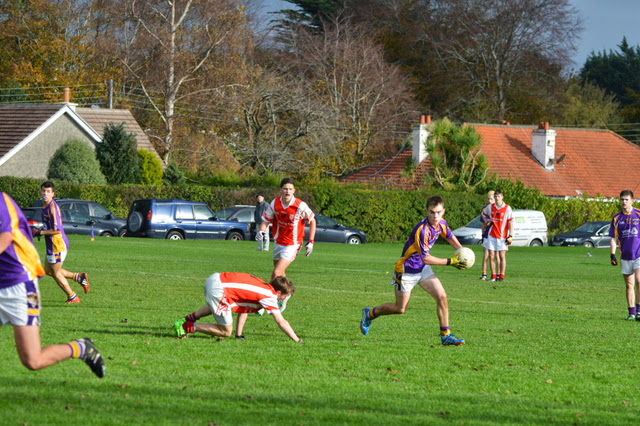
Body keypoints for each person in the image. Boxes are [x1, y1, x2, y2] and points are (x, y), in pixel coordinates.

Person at [0, 192, 105, 377]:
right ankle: (76, 284)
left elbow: (5, 236)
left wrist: (42, 232)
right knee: (53, 272)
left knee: (33, 360)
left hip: (17, 284)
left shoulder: (2, 201)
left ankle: (80, 348)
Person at [359, 196, 469, 346]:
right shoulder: (422, 230)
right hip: (406, 271)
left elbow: (450, 237)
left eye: (438, 212)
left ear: (443, 211)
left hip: (422, 270)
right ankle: (370, 313)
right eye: (431, 212)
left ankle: (446, 335)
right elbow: (426, 258)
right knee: (400, 308)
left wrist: (462, 252)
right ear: (426, 211)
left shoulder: (441, 224)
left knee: (442, 296)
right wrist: (451, 261)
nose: (435, 216)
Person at [235, 178, 316, 338]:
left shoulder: (300, 205)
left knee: (276, 273)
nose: (287, 191)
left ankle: (269, 303)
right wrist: (262, 230)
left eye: (290, 189)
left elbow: (312, 220)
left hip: (293, 243)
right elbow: (266, 219)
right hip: (278, 242)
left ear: (294, 191)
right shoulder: (275, 203)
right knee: (279, 275)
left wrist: (311, 241)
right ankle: (287, 294)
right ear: (281, 190)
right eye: (285, 188)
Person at [172, 272, 304, 342]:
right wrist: (297, 339)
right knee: (225, 331)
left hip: (215, 278)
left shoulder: (263, 286)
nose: (283, 300)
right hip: (219, 290)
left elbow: (244, 310)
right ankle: (187, 326)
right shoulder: (269, 296)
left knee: (215, 305)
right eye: (284, 296)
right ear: (279, 292)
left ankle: (185, 320)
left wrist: (239, 334)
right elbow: (281, 321)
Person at [36, 181, 90, 303]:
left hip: (57, 244)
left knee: (55, 273)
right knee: (48, 271)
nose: (45, 193)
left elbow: (56, 230)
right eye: (44, 190)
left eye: (48, 191)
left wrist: (41, 232)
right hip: (51, 244)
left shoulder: (52, 207)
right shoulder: (44, 205)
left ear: (53, 194)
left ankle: (73, 297)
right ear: (41, 192)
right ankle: (78, 277)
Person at [609, 190, 640, 321]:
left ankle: (639, 312)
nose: (624, 202)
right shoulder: (617, 218)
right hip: (625, 256)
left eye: (626, 199)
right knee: (629, 284)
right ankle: (631, 313)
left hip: (638, 254)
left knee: (639, 280)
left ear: (632, 200)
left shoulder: (638, 214)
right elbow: (613, 238)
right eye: (622, 199)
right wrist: (612, 255)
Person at [482, 189, 514, 282]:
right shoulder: (490, 207)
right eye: (495, 197)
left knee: (501, 256)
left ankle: (501, 276)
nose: (496, 198)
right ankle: (493, 276)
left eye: (498, 196)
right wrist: (487, 222)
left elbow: (511, 222)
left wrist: (510, 235)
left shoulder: (507, 208)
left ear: (502, 197)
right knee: (491, 256)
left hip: (503, 236)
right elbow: (483, 214)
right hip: (492, 235)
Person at [479, 190, 495, 280]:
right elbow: (483, 224)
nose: (490, 201)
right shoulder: (484, 209)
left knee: (494, 255)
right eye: (488, 199)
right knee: (486, 255)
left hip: (495, 235)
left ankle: (495, 274)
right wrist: (482, 234)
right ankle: (484, 274)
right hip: (486, 234)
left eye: (491, 199)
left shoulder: (497, 209)